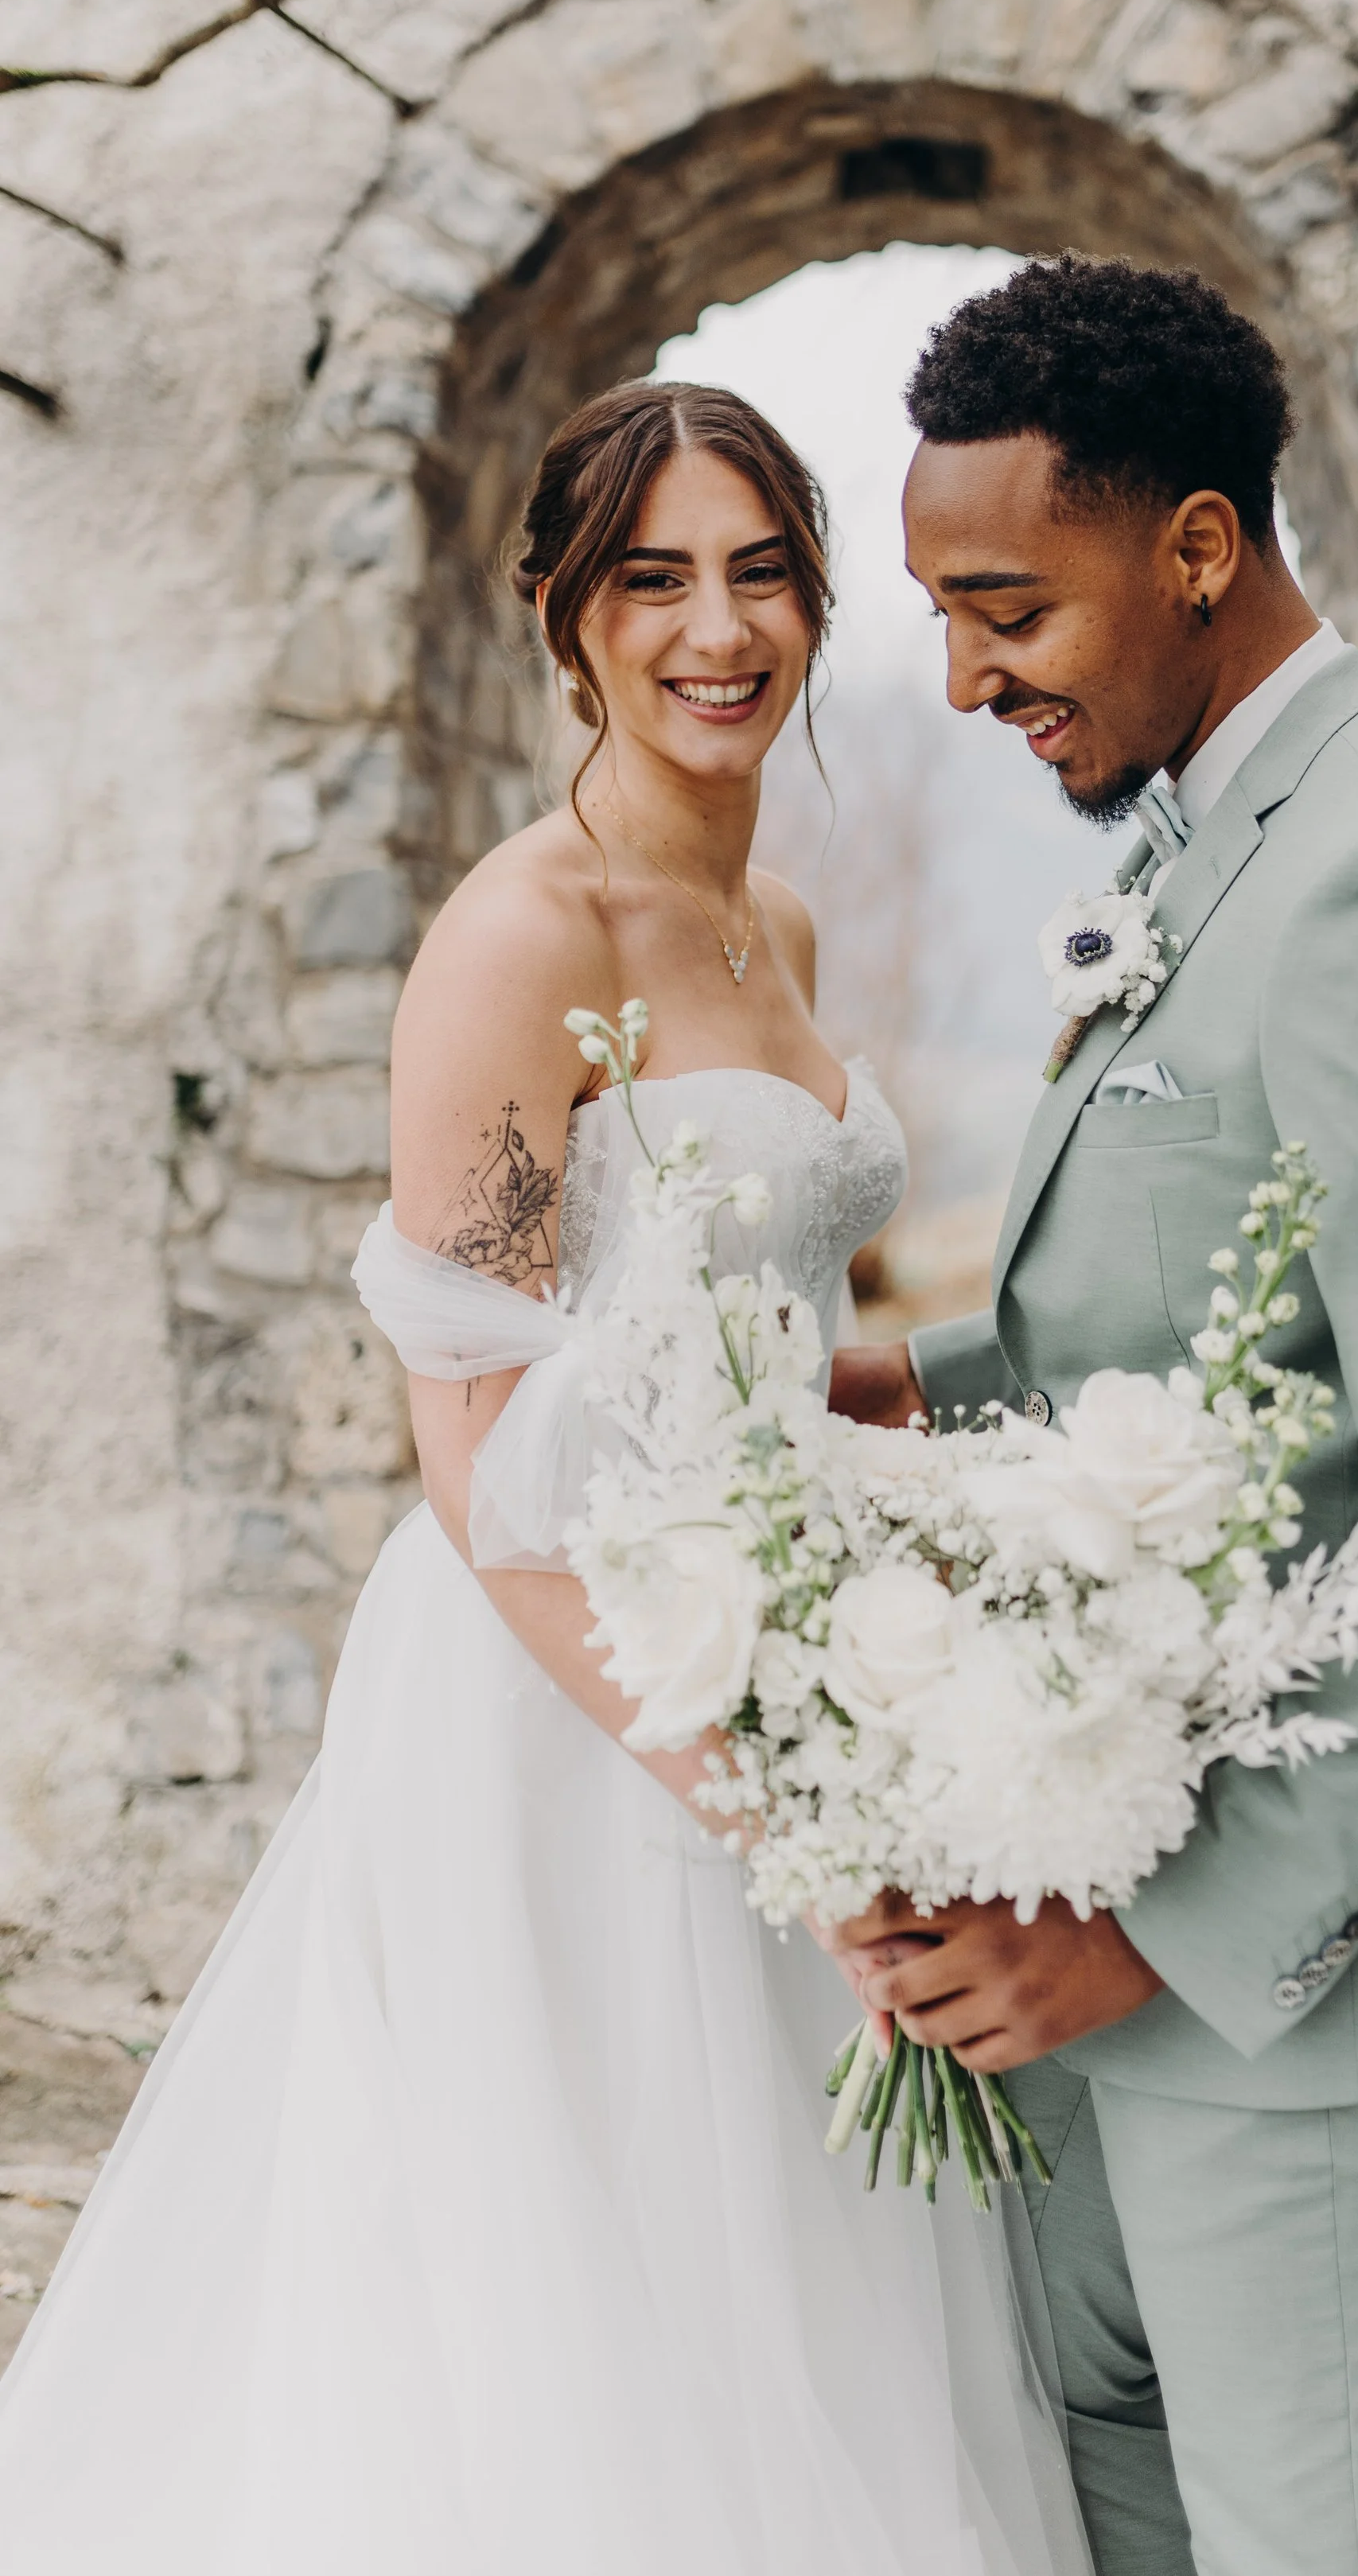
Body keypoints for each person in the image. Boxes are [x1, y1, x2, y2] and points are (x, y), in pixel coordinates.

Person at [0, 379, 1087, 2576]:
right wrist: (766, 1805)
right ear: (561, 616)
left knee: (804, 2264)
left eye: (762, 573)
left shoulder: (773, 924)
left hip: (786, 1636)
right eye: (652, 578)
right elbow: (483, 1438)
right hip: (573, 1689)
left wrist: (916, 1480)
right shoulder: (523, 937)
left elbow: (747, 1324)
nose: (719, 629)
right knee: (587, 2286)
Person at [828, 258, 1358, 2576]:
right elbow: (1236, 1314)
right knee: (1093, 2474)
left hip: (1294, 1968)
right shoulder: (1221, 829)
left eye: (1007, 608)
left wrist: (1160, 1941)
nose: (965, 680)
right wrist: (912, 1385)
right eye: (943, 615)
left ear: (1197, 547)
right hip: (1114, 1845)